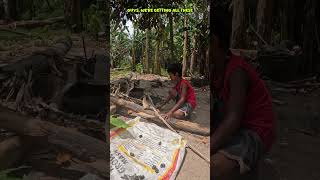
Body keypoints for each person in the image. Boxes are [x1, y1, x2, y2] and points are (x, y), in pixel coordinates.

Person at [211, 7, 275, 180]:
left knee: (212, 169)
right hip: (235, 127)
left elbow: (233, 119)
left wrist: (209, 145)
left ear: (214, 41)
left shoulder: (237, 71)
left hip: (254, 131)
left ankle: (245, 163)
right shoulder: (216, 71)